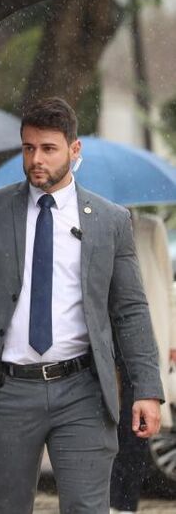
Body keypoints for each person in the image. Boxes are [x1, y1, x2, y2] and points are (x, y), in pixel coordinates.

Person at [0, 97, 164, 513]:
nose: (35, 159)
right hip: (8, 391)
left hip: (83, 391)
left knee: (87, 508)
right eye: (28, 148)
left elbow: (130, 309)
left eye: (48, 149)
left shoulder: (110, 221)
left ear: (74, 150)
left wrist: (148, 388)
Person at [110, 211, 176, 514]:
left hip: (145, 335)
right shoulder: (96, 221)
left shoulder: (152, 227)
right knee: (105, 421)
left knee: (136, 424)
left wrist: (172, 338)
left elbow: (166, 284)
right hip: (107, 335)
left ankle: (126, 504)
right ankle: (107, 499)